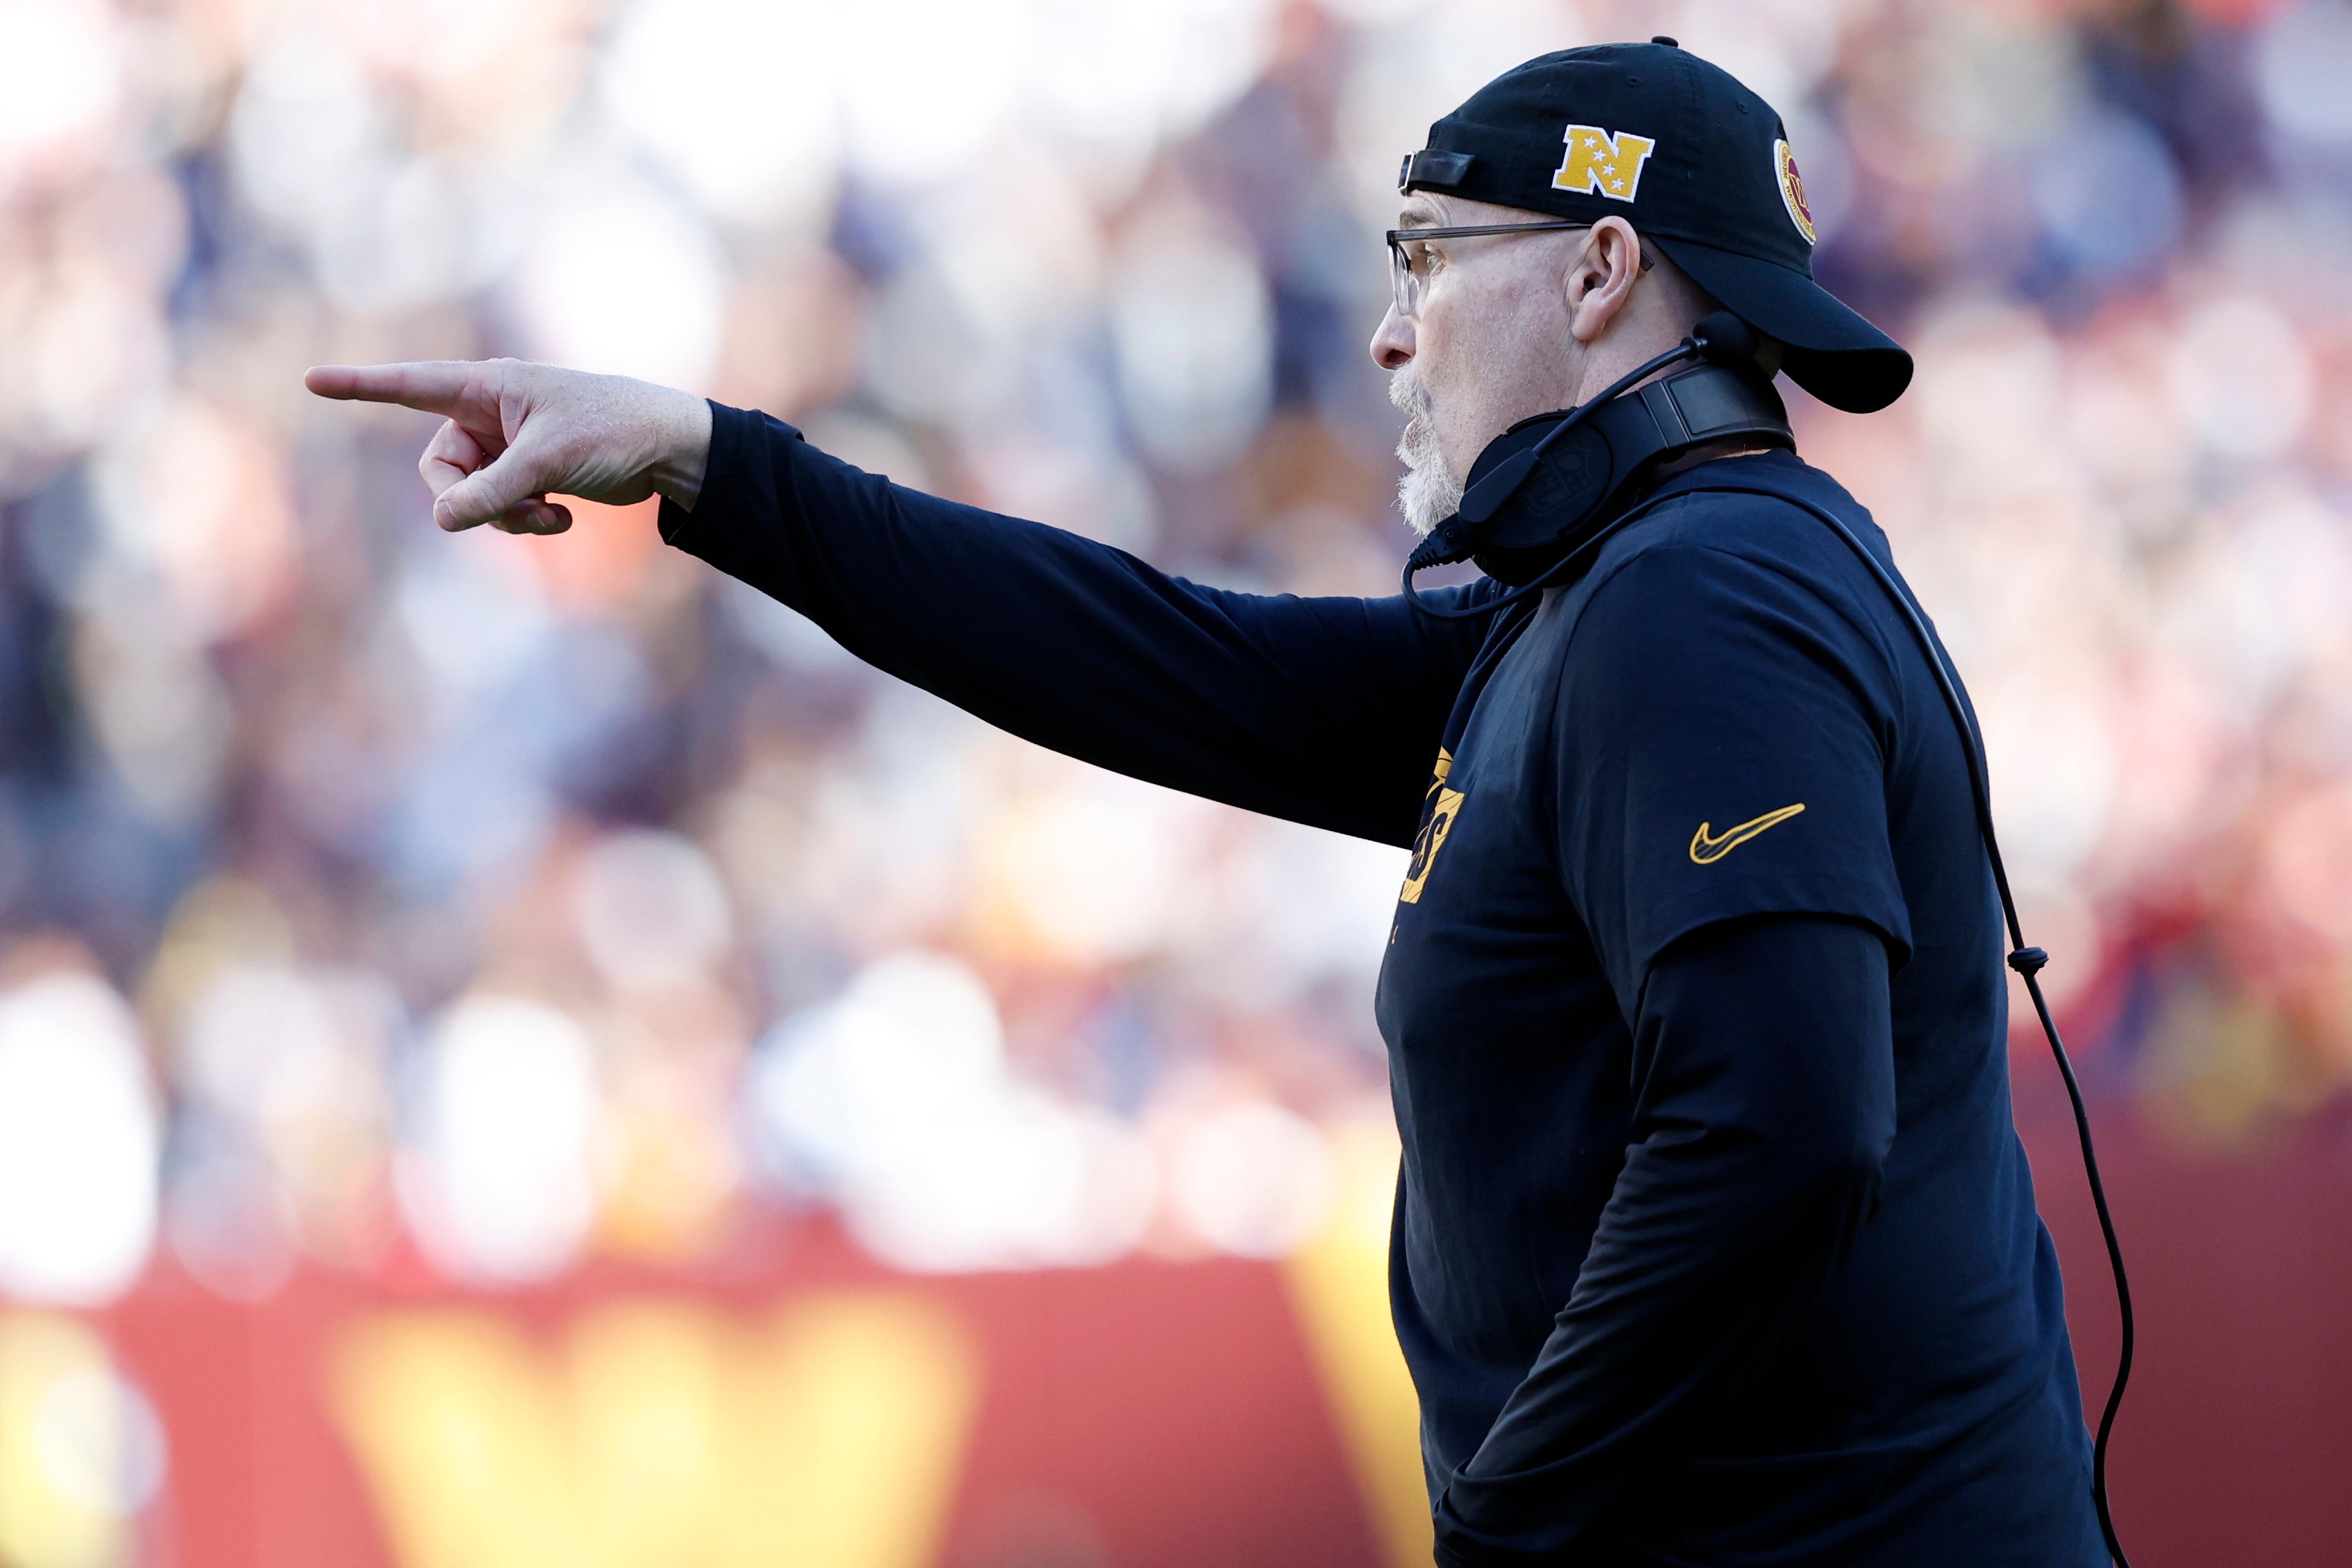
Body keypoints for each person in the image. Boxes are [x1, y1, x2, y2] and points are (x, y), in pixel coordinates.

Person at [310, 40, 2106, 1568]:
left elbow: (1782, 1123)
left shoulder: (1698, 598)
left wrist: (1509, 1520)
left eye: (1425, 257)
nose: (1388, 337)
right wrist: (708, 461)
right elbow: (1146, 655)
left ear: (1597, 270)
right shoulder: (1609, 605)